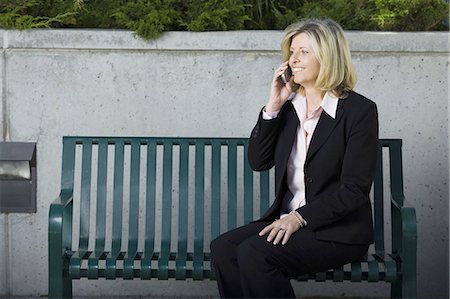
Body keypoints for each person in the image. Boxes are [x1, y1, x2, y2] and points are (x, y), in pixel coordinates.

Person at [210, 18, 379, 298]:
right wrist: (273, 106)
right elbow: (258, 161)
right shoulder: (289, 109)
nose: (292, 60)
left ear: (328, 56)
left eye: (303, 52)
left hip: (336, 232)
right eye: (291, 52)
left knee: (255, 253)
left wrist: (298, 218)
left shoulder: (359, 111)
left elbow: (354, 190)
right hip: (287, 220)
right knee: (224, 249)